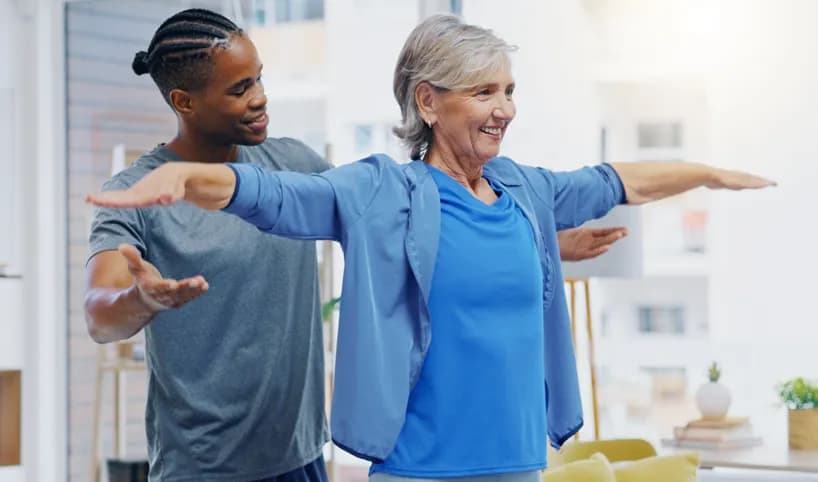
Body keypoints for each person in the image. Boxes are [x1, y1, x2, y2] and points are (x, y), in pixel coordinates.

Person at [87, 14, 776, 482]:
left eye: (509, 90)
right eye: (484, 91)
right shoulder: (378, 190)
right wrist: (179, 193)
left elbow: (611, 182)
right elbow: (275, 202)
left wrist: (706, 173)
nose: (504, 106)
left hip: (493, 459)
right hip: (375, 465)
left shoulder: (520, 193)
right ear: (428, 101)